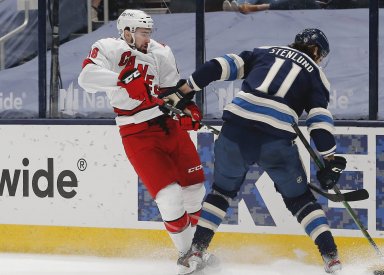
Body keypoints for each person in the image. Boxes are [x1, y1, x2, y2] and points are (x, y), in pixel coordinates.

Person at [166, 28, 346, 274]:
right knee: (300, 200)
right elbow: (319, 119)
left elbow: (218, 65)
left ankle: (196, 251)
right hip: (276, 141)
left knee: (220, 193)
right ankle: (332, 258)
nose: (320, 60)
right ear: (316, 51)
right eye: (321, 56)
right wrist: (329, 159)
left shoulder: (264, 51)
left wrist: (186, 90)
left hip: (235, 131)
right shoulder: (316, 75)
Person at [77, 9, 209, 275]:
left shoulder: (161, 52)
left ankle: (197, 251)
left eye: (149, 33)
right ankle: (187, 256)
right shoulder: (108, 47)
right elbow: (86, 78)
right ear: (126, 31)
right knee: (170, 197)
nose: (147, 38)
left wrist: (188, 109)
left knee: (195, 190)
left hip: (168, 125)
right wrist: (122, 81)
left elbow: (172, 91)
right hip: (136, 132)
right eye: (142, 33)